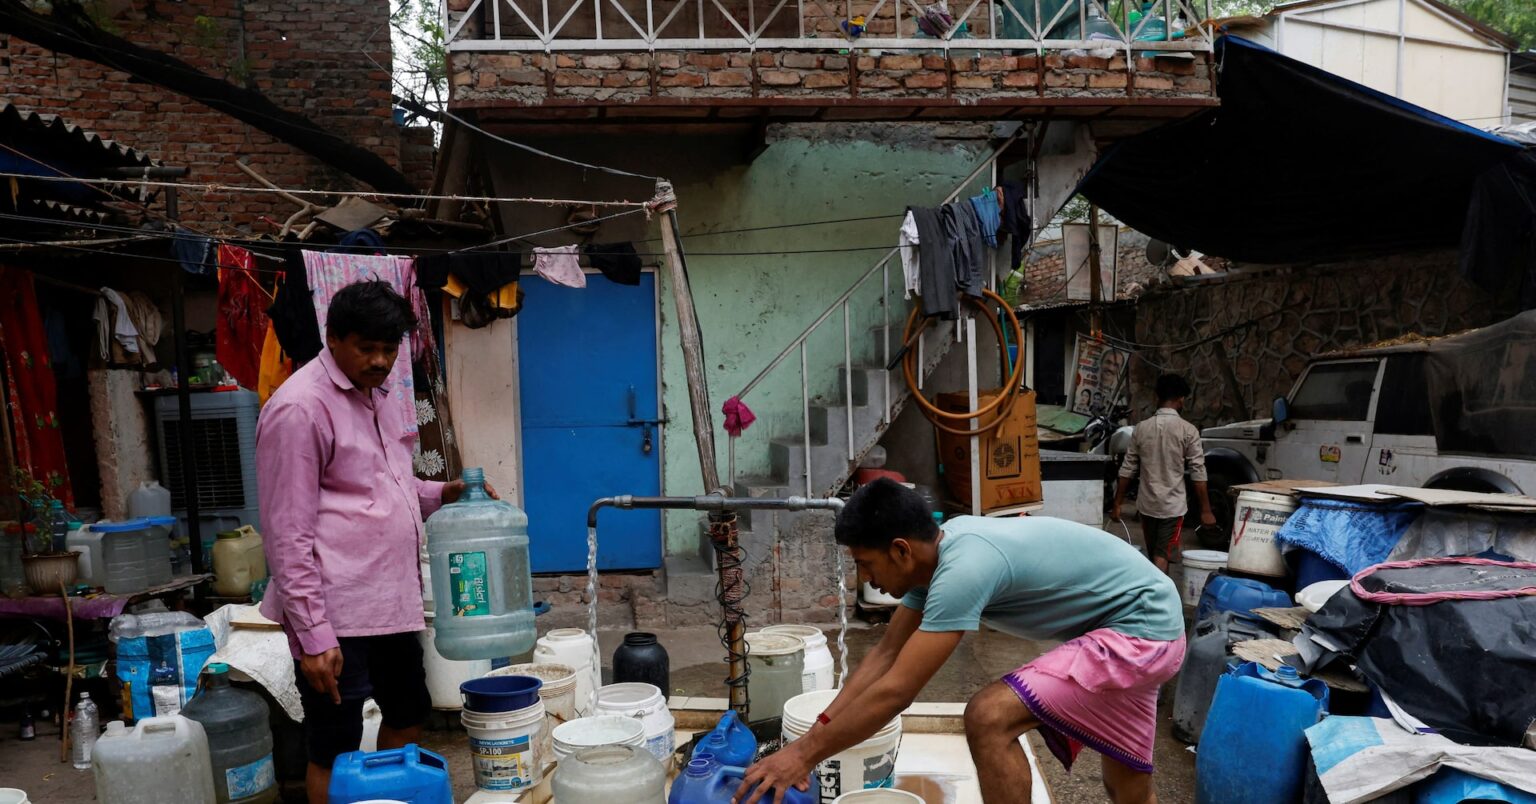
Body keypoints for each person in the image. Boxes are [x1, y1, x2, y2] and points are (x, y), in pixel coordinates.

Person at [735, 479, 1185, 804]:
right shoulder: (936, 557)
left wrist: (802, 757)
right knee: (1126, 784)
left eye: (866, 564)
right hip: (1137, 624)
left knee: (990, 716)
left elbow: (897, 692)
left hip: (1140, 631)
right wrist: (816, 731)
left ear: (900, 550)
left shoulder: (963, 570)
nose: (865, 578)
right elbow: (884, 658)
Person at [256, 281, 496, 804]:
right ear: (333, 338)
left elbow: (386, 486)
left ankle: (386, 798)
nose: (380, 361)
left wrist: (442, 493)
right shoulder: (299, 409)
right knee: (335, 745)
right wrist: (314, 636)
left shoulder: (379, 396)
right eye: (367, 348)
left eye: (390, 350)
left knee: (409, 713)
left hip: (390, 603)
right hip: (334, 611)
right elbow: (286, 533)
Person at [1111, 373, 1215, 574]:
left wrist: (1118, 503)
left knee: (1155, 554)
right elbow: (1198, 472)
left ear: (1156, 397)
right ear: (1181, 399)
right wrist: (1206, 510)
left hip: (1147, 504)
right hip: (1172, 507)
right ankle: (1161, 599)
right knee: (1162, 555)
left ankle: (1156, 596)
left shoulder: (1141, 429)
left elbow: (1127, 468)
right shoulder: (1188, 430)